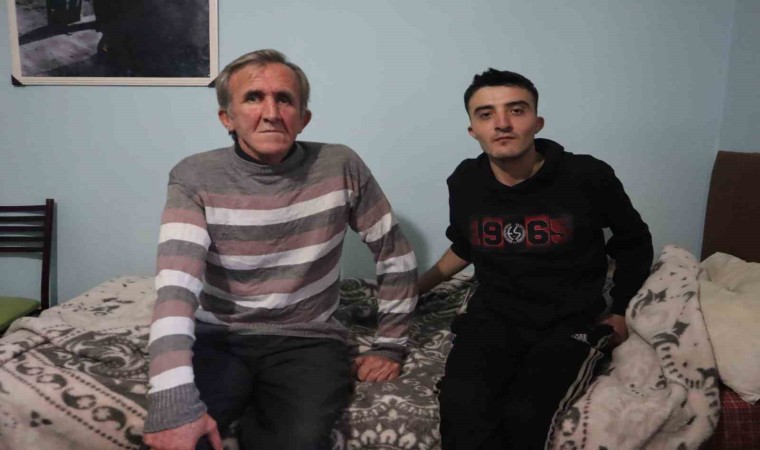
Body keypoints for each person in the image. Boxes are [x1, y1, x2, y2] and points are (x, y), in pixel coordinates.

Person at [142, 49, 418, 450]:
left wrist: (390, 345)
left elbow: (394, 254)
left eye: (284, 99)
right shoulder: (194, 176)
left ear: (303, 118)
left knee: (298, 442)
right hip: (219, 335)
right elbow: (176, 287)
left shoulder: (341, 165)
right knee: (183, 438)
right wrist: (171, 402)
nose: (271, 113)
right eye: (254, 97)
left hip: (308, 339)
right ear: (227, 118)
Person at [418, 69, 653, 450]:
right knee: (463, 410)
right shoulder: (465, 181)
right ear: (473, 130)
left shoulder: (586, 175)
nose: (502, 123)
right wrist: (414, 289)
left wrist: (621, 310)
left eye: (516, 110)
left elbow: (634, 241)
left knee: (526, 415)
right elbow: (465, 246)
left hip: (571, 323)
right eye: (486, 114)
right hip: (492, 319)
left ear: (537, 122)